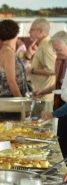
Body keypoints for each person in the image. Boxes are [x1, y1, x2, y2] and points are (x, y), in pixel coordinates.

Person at [40, 30, 67, 158]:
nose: (57, 53)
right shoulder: (62, 62)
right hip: (63, 106)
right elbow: (60, 86)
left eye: (59, 50)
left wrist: (53, 114)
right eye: (55, 50)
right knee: (62, 143)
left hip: (64, 108)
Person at [0, 19, 30, 120]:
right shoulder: (8, 53)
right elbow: (11, 81)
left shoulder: (6, 50)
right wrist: (22, 104)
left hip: (11, 100)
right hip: (12, 101)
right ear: (16, 33)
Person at [25, 18, 56, 119]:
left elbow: (53, 70)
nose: (29, 32)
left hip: (45, 97)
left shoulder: (47, 45)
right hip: (40, 95)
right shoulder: (42, 44)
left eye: (32, 29)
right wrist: (29, 56)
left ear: (41, 31)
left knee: (42, 130)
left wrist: (32, 70)